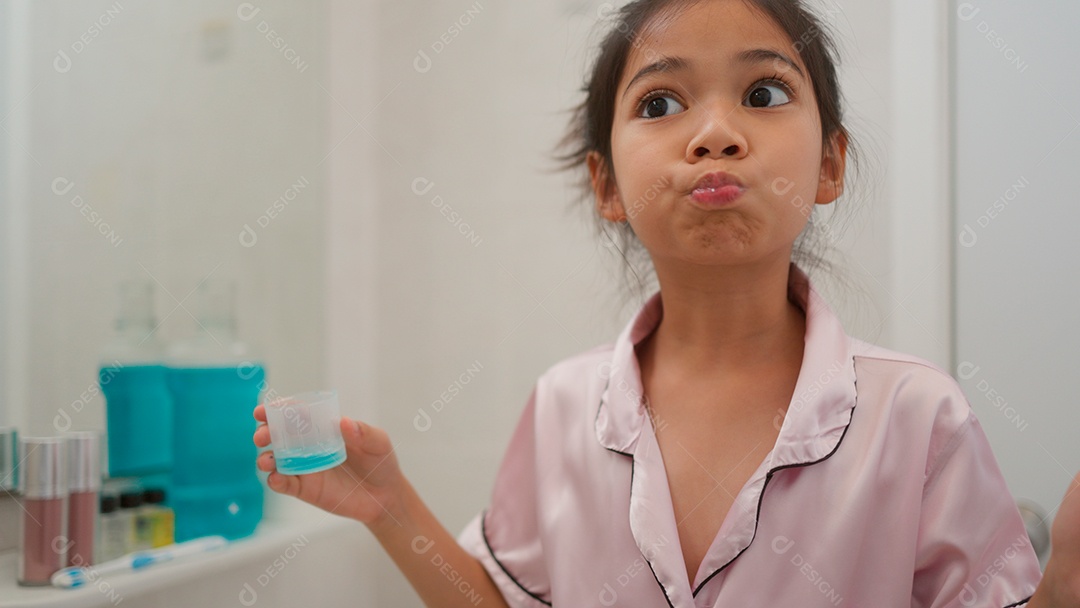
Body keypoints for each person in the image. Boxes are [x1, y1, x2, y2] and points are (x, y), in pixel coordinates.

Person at [253, 1, 1080, 605]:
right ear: (606, 182)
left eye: (762, 93)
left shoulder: (917, 414)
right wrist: (390, 506)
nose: (714, 133)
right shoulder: (563, 408)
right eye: (659, 103)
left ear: (829, 165)